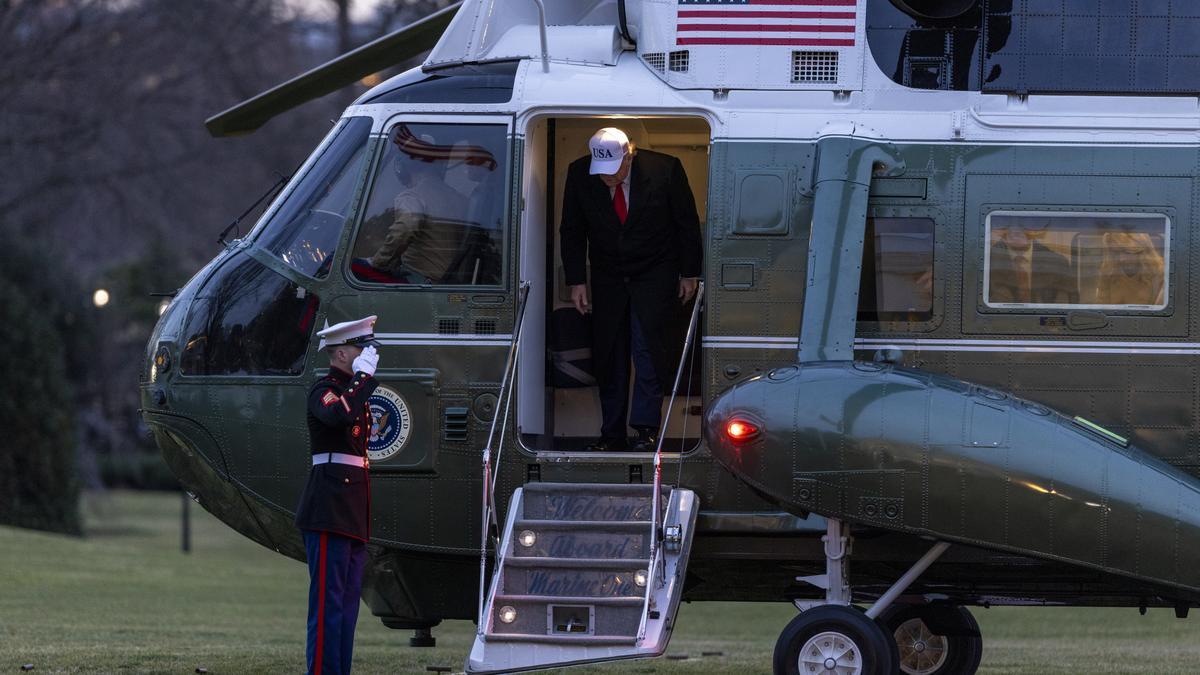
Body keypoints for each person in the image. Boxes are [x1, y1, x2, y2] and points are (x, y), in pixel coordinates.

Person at [559, 127, 703, 452]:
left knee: (648, 350)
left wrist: (689, 273)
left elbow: (686, 224)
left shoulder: (665, 169)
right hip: (608, 275)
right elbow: (571, 229)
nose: (608, 179)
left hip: (655, 272)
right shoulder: (580, 174)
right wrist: (577, 281)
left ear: (629, 155)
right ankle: (611, 434)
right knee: (610, 354)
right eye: (603, 173)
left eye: (614, 172)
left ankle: (646, 431)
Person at [295, 315, 381, 675]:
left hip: (351, 509)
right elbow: (336, 417)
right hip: (329, 506)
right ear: (343, 354)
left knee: (347, 607)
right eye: (361, 349)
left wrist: (361, 382)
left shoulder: (353, 394)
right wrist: (362, 379)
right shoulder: (324, 389)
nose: (368, 355)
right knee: (328, 604)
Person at [368, 128, 470, 284]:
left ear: (401, 167)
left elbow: (407, 225)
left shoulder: (411, 197)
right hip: (450, 282)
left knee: (356, 268)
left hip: (419, 280)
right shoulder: (460, 199)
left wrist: (378, 261)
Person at [988, 220, 1075, 304]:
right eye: (1007, 224)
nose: (1016, 230)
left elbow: (1066, 304)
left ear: (1037, 231)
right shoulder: (986, 262)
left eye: (1026, 224)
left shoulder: (1058, 263)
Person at [1093, 231, 1164, 305]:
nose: (1122, 259)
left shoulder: (1159, 272)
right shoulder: (1109, 271)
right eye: (1118, 253)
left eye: (1127, 253)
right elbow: (1102, 306)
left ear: (1142, 253)